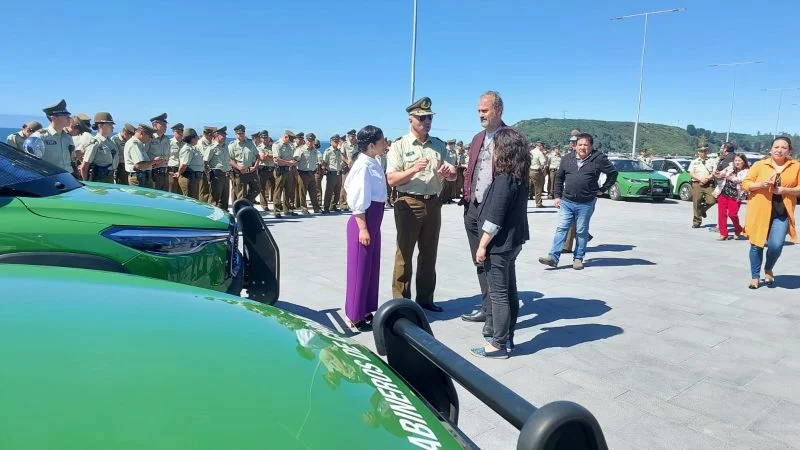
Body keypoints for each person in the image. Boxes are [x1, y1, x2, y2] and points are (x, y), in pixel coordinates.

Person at [386, 96, 456, 312]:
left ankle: (425, 300)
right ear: (411, 120)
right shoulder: (399, 145)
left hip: (433, 204)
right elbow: (392, 179)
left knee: (429, 254)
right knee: (404, 254)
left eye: (429, 118)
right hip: (408, 202)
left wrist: (450, 172)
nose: (427, 121)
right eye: (422, 118)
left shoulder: (438, 145)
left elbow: (452, 174)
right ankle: (402, 302)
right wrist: (413, 169)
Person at [469, 128, 530, 359]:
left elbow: (495, 218)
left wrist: (482, 245)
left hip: (500, 245)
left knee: (499, 295)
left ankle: (498, 345)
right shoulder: (518, 176)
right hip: (513, 243)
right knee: (510, 291)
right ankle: (508, 338)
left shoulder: (504, 179)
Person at [460, 91, 511, 324]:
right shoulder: (478, 138)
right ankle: (486, 307)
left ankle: (497, 315)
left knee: (495, 263)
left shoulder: (510, 139)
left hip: (494, 211)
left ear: (498, 110)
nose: (480, 114)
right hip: (473, 208)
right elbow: (472, 171)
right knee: (479, 260)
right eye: (479, 110)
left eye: (485, 110)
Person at [539, 133, 617, 270]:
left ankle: (578, 258)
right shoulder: (566, 159)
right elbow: (559, 178)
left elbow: (613, 173)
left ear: (591, 146)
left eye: (585, 145)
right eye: (580, 144)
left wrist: (603, 189)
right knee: (561, 228)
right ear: (575, 146)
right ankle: (553, 257)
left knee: (581, 231)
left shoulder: (598, 158)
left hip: (586, 203)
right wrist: (557, 196)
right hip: (567, 201)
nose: (582, 147)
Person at [343, 125, 388, 331]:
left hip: (374, 221)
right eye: (381, 141)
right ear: (371, 145)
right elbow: (358, 200)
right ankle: (354, 315)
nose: (385, 144)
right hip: (364, 220)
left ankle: (366, 309)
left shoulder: (373, 161)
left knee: (371, 268)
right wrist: (363, 228)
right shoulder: (363, 166)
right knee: (359, 270)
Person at [742, 137, 800, 289]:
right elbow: (746, 183)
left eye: (783, 147)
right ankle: (755, 276)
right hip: (759, 211)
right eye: (776, 147)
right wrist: (760, 184)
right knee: (756, 245)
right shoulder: (760, 165)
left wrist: (785, 190)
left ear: (789, 151)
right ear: (771, 149)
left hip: (781, 213)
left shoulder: (796, 166)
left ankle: (768, 268)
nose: (779, 150)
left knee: (776, 245)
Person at [715, 154, 749, 241]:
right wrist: (718, 174)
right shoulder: (730, 167)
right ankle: (723, 233)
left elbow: (740, 180)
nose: (737, 163)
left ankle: (738, 229)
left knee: (732, 214)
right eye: (736, 161)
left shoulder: (746, 171)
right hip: (724, 192)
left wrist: (731, 177)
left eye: (739, 161)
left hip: (736, 195)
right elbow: (722, 173)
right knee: (721, 214)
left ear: (743, 162)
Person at [36, 99, 75, 172]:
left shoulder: (68, 137)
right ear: (53, 118)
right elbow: (32, 163)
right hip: (51, 178)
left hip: (68, 177)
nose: (69, 118)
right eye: (65, 115)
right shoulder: (40, 137)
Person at [79, 112, 118, 183]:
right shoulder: (95, 143)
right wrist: (86, 183)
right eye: (109, 124)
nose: (112, 127)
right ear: (100, 126)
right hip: (99, 179)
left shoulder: (110, 142)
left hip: (110, 177)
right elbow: (84, 167)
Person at [228, 124, 260, 203]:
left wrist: (255, 167)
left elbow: (258, 156)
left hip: (251, 170)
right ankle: (240, 210)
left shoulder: (250, 143)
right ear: (236, 134)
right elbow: (229, 159)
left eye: (242, 133)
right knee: (241, 193)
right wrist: (239, 168)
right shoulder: (232, 145)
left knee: (257, 189)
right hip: (240, 172)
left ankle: (246, 202)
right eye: (239, 134)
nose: (241, 135)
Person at [689, 147, 717, 228]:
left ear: (707, 152)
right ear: (698, 152)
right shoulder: (694, 162)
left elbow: (714, 172)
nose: (703, 153)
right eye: (701, 151)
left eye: (704, 151)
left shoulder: (712, 161)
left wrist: (707, 178)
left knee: (712, 200)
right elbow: (691, 173)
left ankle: (702, 210)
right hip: (697, 183)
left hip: (708, 184)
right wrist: (700, 179)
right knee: (696, 202)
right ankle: (696, 222)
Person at [294, 132, 322, 214]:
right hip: (303, 174)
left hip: (312, 174)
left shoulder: (315, 151)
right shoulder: (300, 149)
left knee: (313, 192)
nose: (310, 142)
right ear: (306, 140)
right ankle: (304, 208)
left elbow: (320, 160)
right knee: (303, 192)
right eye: (309, 140)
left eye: (312, 141)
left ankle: (316, 208)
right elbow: (295, 159)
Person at [273, 130, 298, 218]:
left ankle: (287, 210)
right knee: (278, 191)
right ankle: (277, 211)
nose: (292, 141)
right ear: (286, 137)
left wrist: (293, 162)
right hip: (280, 170)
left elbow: (294, 157)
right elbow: (277, 160)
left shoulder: (291, 146)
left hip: (289, 170)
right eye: (290, 139)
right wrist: (289, 163)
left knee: (289, 191)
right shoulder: (277, 145)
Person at [206, 127, 231, 208]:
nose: (224, 137)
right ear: (216, 135)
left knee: (225, 197)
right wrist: (208, 176)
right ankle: (211, 215)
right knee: (214, 197)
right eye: (222, 135)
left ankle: (224, 214)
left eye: (225, 135)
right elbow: (205, 162)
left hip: (226, 174)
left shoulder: (225, 146)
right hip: (217, 174)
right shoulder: (212, 147)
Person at [176, 128, 204, 199]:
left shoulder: (192, 148)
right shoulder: (187, 149)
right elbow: (184, 165)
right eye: (196, 137)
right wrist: (179, 173)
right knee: (190, 200)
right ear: (191, 139)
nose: (198, 138)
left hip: (193, 179)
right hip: (189, 178)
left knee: (194, 199)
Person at [321, 134, 345, 214]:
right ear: (331, 142)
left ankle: (333, 205)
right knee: (329, 191)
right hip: (331, 173)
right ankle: (326, 207)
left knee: (337, 191)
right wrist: (326, 169)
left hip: (338, 173)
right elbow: (324, 162)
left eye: (337, 141)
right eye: (335, 141)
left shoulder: (338, 151)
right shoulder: (328, 151)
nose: (336, 143)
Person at [148, 113, 171, 191]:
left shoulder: (166, 139)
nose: (165, 127)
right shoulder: (149, 138)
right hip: (152, 172)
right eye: (163, 124)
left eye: (166, 124)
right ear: (155, 125)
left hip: (164, 172)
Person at [529, 141, 548, 207]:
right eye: (542, 146)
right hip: (536, 171)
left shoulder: (531, 152)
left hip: (529, 170)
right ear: (540, 146)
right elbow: (543, 163)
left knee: (530, 186)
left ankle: (530, 196)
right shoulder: (539, 153)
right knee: (538, 187)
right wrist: (543, 170)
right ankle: (538, 203)